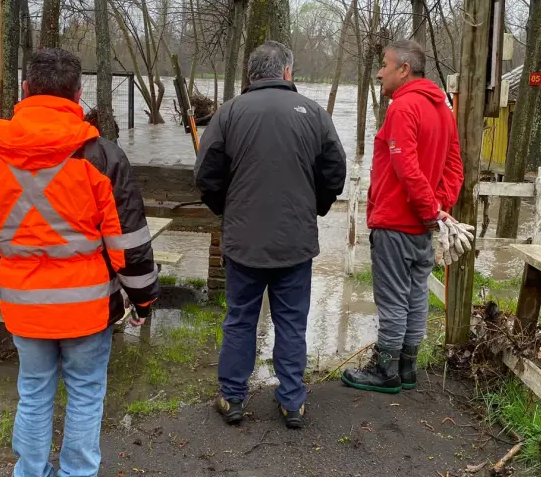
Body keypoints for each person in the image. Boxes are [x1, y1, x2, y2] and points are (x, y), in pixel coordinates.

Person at [0, 48, 160, 477]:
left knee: (34, 391)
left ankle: (30, 472)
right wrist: (144, 300)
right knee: (84, 395)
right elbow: (129, 244)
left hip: (23, 306)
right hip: (88, 306)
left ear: (25, 91)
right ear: (78, 96)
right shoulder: (102, 157)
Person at [194, 40, 347, 429]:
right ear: (286, 72)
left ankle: (232, 398)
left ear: (251, 75)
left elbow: (206, 175)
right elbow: (335, 172)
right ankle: (292, 402)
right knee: (292, 321)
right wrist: (314, 207)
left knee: (240, 318)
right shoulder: (313, 113)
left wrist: (227, 210)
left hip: (244, 240)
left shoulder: (229, 114)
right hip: (295, 240)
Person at [342, 39, 463, 394]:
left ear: (404, 69)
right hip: (422, 228)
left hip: (396, 223)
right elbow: (456, 167)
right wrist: (438, 210)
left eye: (385, 64)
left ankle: (385, 370)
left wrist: (430, 210)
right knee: (415, 297)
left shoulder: (402, 108)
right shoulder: (443, 109)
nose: (380, 72)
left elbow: (406, 167)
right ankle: (408, 367)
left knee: (393, 300)